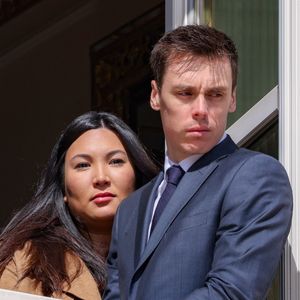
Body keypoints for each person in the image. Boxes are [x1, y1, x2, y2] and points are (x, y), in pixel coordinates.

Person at [104, 25, 293, 300]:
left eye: (215, 94)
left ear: (233, 98)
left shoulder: (255, 177)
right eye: (186, 93)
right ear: (155, 95)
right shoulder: (130, 210)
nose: (201, 110)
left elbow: (232, 292)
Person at [0, 111, 159, 299]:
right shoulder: (26, 261)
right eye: (83, 165)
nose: (101, 178)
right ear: (63, 188)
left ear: (137, 176)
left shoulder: (166, 251)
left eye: (115, 161)